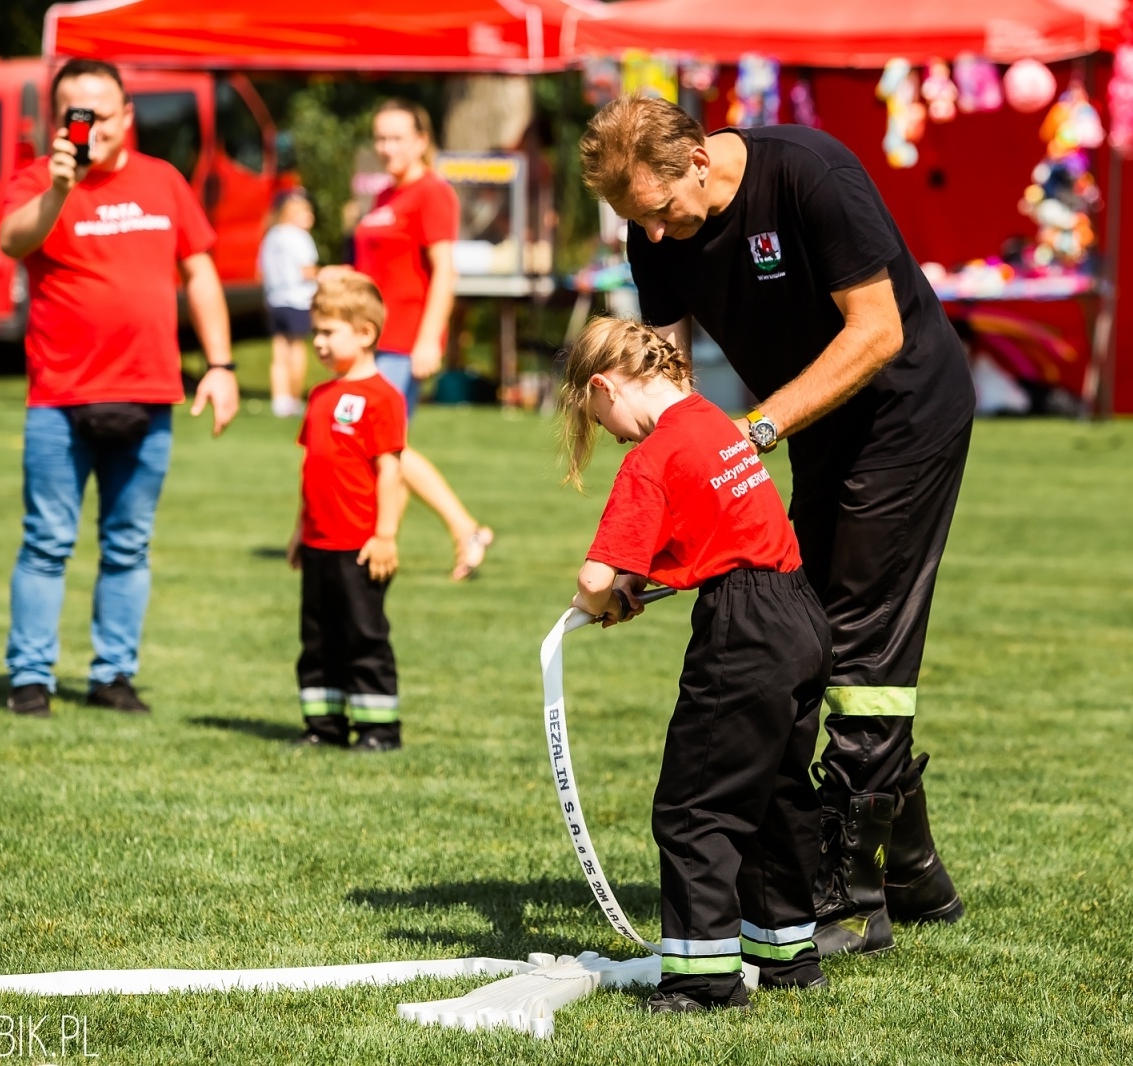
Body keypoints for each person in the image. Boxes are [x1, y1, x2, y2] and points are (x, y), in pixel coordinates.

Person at [580, 96, 976, 956]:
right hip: (814, 427)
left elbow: (877, 334)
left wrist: (752, 432)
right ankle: (910, 869)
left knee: (862, 647)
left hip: (903, 418)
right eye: (629, 221)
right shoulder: (650, 228)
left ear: (695, 159)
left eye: (655, 212)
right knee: (805, 632)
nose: (648, 236)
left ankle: (849, 898)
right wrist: (662, 513)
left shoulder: (810, 174)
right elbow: (665, 364)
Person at [558, 317, 831, 1012]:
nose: (616, 434)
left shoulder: (651, 456)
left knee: (695, 807)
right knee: (775, 796)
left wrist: (605, 599)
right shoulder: (714, 422)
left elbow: (595, 577)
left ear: (603, 386)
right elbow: (715, 524)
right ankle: (788, 956)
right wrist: (642, 582)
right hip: (799, 611)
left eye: (601, 418)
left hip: (744, 631)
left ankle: (704, 981)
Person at [0, 58, 238, 719]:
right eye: (76, 114)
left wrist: (221, 366)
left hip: (147, 394)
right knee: (47, 542)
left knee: (129, 544)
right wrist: (58, 190)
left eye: (101, 114)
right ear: (56, 121)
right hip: (60, 398)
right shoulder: (38, 180)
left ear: (127, 116)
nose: (90, 127)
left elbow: (200, 273)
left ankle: (112, 675)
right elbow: (11, 239)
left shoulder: (163, 181)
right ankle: (30, 677)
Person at [353, 98, 494, 582]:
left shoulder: (431, 194)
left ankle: (462, 528)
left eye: (396, 137)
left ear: (420, 141)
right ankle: (385, 535)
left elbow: (443, 274)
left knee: (385, 445)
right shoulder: (384, 197)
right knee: (387, 446)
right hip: (371, 341)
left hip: (403, 340)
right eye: (381, 138)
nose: (387, 147)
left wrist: (430, 338)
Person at [287, 270, 408, 750]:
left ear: (364, 333)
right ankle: (324, 726)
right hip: (318, 544)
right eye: (315, 330)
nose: (317, 341)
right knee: (317, 642)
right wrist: (298, 530)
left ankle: (379, 729)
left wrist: (385, 534)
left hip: (360, 546)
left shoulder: (383, 398)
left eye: (328, 331)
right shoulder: (319, 396)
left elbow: (391, 473)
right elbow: (312, 469)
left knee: (363, 639)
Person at [260, 189, 319, 417]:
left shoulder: (271, 235)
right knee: (296, 350)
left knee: (279, 353)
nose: (309, 215)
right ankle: (294, 400)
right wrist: (327, 274)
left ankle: (280, 401)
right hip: (297, 299)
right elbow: (307, 271)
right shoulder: (299, 236)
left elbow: (261, 271)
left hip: (275, 300)